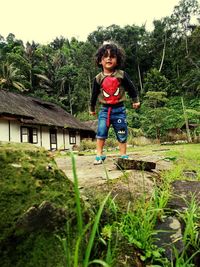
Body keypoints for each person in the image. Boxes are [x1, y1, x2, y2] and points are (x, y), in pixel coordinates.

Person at [90, 42, 140, 165]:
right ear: (100, 61)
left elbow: (131, 88)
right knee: (101, 131)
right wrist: (92, 108)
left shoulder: (122, 75)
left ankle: (123, 155)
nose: (108, 58)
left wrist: (135, 100)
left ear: (117, 60)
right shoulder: (98, 78)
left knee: (122, 131)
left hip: (119, 110)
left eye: (112, 56)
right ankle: (99, 154)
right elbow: (94, 94)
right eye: (105, 56)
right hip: (104, 110)